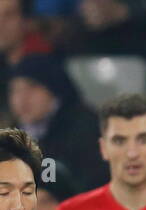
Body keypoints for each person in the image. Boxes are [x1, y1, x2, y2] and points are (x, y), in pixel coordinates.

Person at [8, 53, 101, 187]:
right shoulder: (13, 134)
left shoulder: (84, 127)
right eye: (15, 90)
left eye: (32, 87)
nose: (22, 99)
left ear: (54, 89)